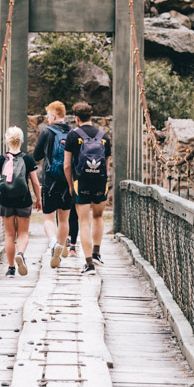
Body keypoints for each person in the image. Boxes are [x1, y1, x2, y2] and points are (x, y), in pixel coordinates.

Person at [64, 101, 111, 273]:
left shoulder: (72, 135)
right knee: (98, 217)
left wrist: (71, 185)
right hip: (99, 182)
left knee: (84, 222)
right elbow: (106, 165)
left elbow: (67, 166)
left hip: (81, 182)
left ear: (76, 118)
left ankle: (89, 263)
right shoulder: (104, 136)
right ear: (91, 116)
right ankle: (97, 253)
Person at [0, 125, 41, 277]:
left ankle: (11, 268)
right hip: (24, 200)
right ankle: (21, 254)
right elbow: (36, 183)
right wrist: (38, 199)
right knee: (23, 233)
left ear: (7, 141)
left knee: (9, 235)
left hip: (6, 201)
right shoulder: (28, 159)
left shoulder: (1, 159)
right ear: (22, 141)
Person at [33, 101, 78, 268]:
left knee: (49, 218)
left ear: (54, 115)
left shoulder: (47, 132)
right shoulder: (73, 133)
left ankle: (53, 245)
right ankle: (59, 249)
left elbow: (37, 156)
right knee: (64, 219)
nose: (47, 118)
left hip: (50, 181)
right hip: (68, 181)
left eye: (48, 115)